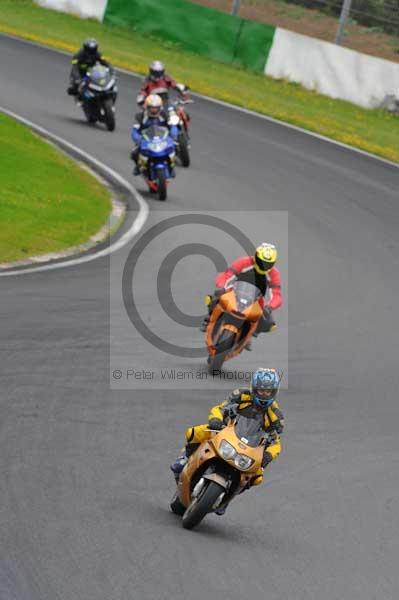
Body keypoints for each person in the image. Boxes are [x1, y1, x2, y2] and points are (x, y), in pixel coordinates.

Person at [171, 368, 284, 514]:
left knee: (257, 477)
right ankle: (185, 458)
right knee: (197, 431)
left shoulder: (276, 416)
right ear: (254, 388)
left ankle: (229, 497)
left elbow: (276, 442)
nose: (264, 394)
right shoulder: (242, 395)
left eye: (268, 391)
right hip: (227, 431)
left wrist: (268, 455)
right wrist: (216, 419)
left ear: (274, 393)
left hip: (250, 447)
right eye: (261, 390)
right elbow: (221, 407)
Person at [200, 242, 283, 349]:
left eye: (267, 263)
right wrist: (223, 287)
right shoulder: (244, 262)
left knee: (269, 323)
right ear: (256, 256)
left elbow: (276, 295)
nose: (263, 265)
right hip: (235, 290)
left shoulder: (274, 274)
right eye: (261, 261)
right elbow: (227, 275)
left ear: (273, 263)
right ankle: (209, 319)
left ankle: (249, 335)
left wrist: (269, 307)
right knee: (216, 297)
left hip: (256, 299)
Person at [130, 94, 179, 176]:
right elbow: (134, 130)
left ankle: (171, 167)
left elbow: (172, 126)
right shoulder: (140, 116)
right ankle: (138, 166)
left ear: (160, 107)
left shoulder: (164, 115)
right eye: (152, 108)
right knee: (134, 152)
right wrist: (138, 139)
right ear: (147, 107)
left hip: (163, 138)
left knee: (176, 147)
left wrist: (173, 135)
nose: (154, 110)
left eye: (156, 108)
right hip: (146, 140)